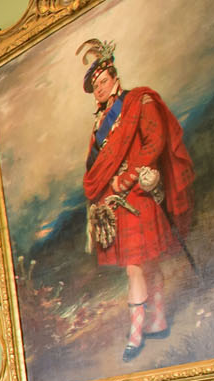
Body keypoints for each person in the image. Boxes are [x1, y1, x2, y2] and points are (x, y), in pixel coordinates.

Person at [78, 38, 194, 360]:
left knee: (138, 266)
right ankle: (157, 320)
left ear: (115, 79)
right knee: (141, 265)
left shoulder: (139, 101)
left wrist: (127, 178)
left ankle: (136, 333)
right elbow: (96, 166)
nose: (100, 90)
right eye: (95, 87)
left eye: (104, 82)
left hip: (139, 196)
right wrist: (108, 188)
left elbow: (154, 142)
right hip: (115, 203)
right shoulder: (99, 124)